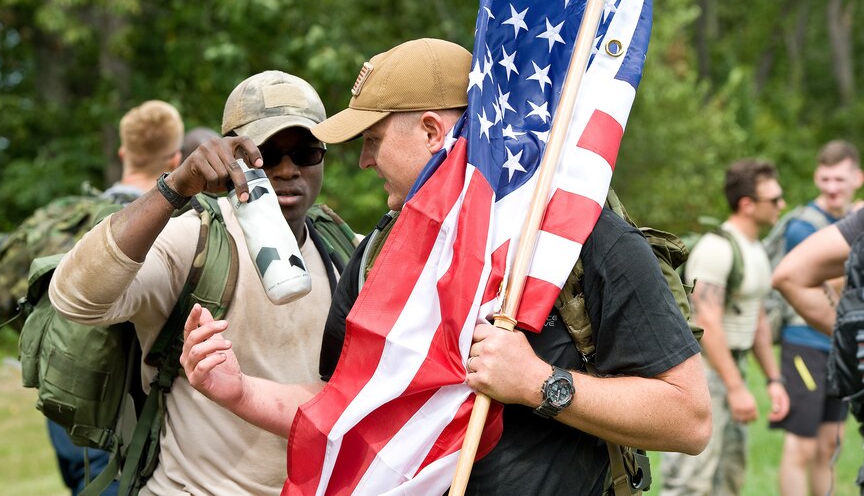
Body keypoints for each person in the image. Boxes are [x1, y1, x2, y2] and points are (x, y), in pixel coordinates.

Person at [180, 38, 712, 495]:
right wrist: (238, 390)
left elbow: (688, 418)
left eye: (373, 140)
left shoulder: (580, 240)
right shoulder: (378, 257)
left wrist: (538, 383)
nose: (365, 161)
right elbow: (344, 407)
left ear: (433, 132)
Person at [48, 71, 353, 494]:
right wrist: (175, 188)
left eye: (305, 152)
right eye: (266, 152)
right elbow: (75, 299)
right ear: (233, 153)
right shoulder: (193, 241)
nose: (287, 169)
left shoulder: (345, 248)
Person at [48, 99, 185, 495]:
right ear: (175, 157)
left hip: (68, 390)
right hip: (126, 411)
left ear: (123, 152)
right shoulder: (175, 226)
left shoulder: (80, 218)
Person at [660, 159, 791, 496]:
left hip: (734, 365)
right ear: (747, 205)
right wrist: (735, 388)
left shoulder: (756, 248)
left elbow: (756, 317)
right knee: (691, 480)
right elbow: (707, 323)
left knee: (729, 477)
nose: (782, 205)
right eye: (774, 199)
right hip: (705, 371)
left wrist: (773, 379)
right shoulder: (717, 250)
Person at [770, 140, 862, 496]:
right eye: (825, 180)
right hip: (805, 343)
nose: (832, 188)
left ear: (858, 178)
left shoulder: (849, 223)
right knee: (802, 445)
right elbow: (832, 284)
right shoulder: (805, 227)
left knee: (828, 446)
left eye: (840, 180)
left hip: (840, 347)